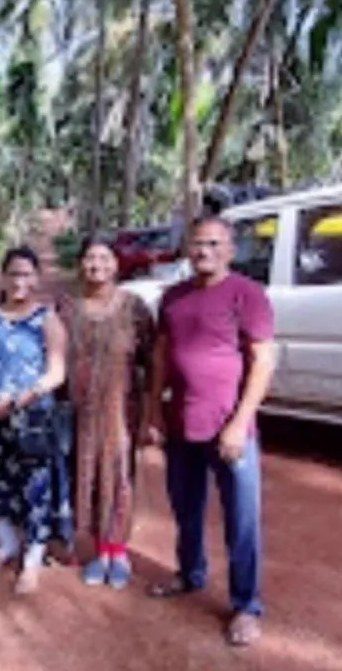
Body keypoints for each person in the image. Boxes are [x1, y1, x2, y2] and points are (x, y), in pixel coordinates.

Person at [143, 215, 277, 648]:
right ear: (187, 249)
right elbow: (162, 357)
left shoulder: (247, 295)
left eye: (214, 244)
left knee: (241, 521)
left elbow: (262, 361)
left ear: (230, 250)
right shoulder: (173, 298)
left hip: (229, 431)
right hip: (182, 425)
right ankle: (189, 574)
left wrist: (239, 424)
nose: (204, 252)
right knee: (186, 510)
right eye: (198, 244)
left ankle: (246, 605)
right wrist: (153, 411)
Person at [0, 247, 69, 595]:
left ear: (36, 278)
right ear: (3, 277)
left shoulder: (47, 317)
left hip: (33, 418)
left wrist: (23, 397)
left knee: (35, 487)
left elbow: (57, 372)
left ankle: (33, 558)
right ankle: (6, 545)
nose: (20, 281)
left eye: (27, 274)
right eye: (13, 274)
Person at [58, 234, 155, 590]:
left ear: (116, 265)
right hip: (78, 416)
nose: (96, 265)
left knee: (119, 478)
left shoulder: (134, 308)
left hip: (121, 412)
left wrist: (151, 415)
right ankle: (99, 550)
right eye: (89, 258)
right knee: (86, 478)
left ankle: (119, 551)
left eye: (104, 258)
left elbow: (152, 360)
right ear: (81, 264)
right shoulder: (66, 308)